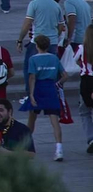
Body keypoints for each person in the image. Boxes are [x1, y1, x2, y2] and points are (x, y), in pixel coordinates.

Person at [22, 32, 65, 160]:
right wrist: (58, 84)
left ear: (37, 46)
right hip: (50, 88)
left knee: (32, 119)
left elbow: (32, 77)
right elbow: (65, 75)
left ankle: (26, 146)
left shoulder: (33, 59)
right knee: (54, 120)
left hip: (38, 89)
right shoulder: (54, 58)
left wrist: (31, 94)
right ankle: (59, 149)